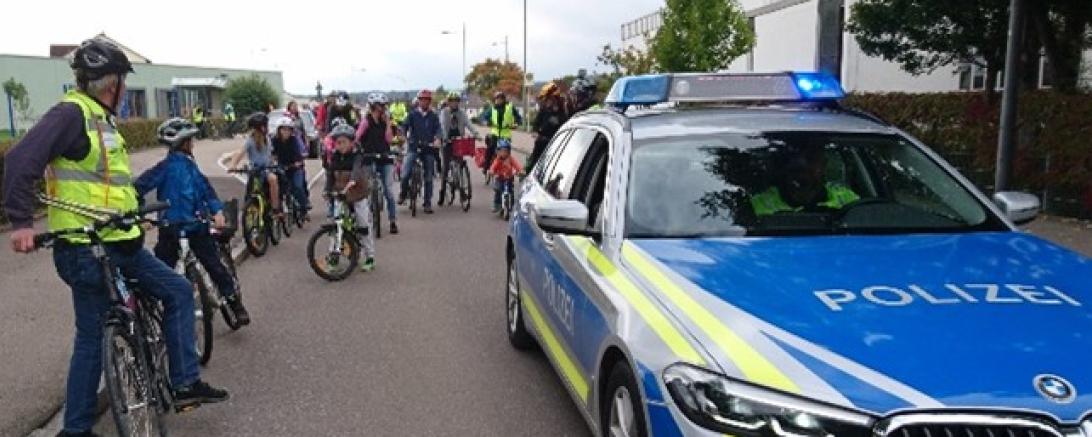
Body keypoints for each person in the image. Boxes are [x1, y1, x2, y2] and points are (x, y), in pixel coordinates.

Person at [2, 38, 228, 437]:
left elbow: (110, 184)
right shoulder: (72, 114)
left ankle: (180, 385)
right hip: (87, 250)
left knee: (175, 292)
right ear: (114, 84)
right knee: (95, 332)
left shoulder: (100, 120)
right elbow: (20, 160)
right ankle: (156, 390)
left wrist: (139, 215)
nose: (124, 91)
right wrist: (21, 221)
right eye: (123, 82)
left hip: (122, 241)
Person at [134, 118, 251, 325]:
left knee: (160, 272)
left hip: (174, 227)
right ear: (184, 144)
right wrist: (217, 212)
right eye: (191, 141)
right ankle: (235, 304)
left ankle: (153, 315)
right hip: (192, 226)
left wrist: (138, 212)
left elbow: (138, 188)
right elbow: (207, 192)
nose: (193, 144)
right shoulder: (178, 168)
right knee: (214, 267)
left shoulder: (172, 167)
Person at [750, 147, 859, 216]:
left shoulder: (848, 200)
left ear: (824, 165)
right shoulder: (758, 204)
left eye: (811, 160)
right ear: (784, 168)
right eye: (796, 163)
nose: (805, 168)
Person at [327, 124, 377, 271]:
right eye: (337, 142)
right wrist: (327, 190)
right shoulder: (335, 157)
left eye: (343, 142)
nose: (339, 145)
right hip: (341, 195)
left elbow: (356, 170)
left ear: (351, 142)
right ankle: (334, 256)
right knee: (335, 225)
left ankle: (370, 257)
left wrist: (353, 180)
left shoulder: (357, 156)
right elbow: (330, 175)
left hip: (357, 194)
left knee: (363, 224)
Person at [356, 92, 399, 234]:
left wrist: (387, 123)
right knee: (368, 189)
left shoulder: (386, 121)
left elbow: (389, 140)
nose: (382, 109)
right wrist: (356, 149)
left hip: (385, 157)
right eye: (380, 106)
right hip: (369, 157)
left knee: (389, 191)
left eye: (383, 106)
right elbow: (357, 137)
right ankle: (368, 216)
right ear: (373, 107)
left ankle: (392, 220)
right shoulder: (366, 121)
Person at [227, 112, 282, 215]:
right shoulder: (250, 141)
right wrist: (233, 165)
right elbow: (240, 152)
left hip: (266, 169)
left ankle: (276, 208)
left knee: (273, 179)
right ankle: (248, 211)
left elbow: (270, 154)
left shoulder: (267, 140)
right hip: (255, 170)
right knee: (250, 191)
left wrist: (274, 162)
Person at [399, 89, 442, 214]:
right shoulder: (412, 115)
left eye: (427, 100)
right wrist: (403, 135)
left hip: (428, 148)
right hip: (414, 146)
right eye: (422, 100)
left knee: (429, 176)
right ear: (418, 101)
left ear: (429, 102)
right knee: (405, 172)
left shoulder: (433, 116)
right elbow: (404, 126)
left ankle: (427, 203)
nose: (424, 102)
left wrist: (438, 139)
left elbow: (438, 129)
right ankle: (403, 193)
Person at [438, 92, 479, 205]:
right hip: (447, 141)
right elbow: (442, 125)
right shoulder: (444, 112)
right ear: (448, 102)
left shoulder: (461, 113)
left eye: (456, 101)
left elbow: (468, 123)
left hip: (458, 141)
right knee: (446, 167)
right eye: (452, 101)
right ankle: (442, 192)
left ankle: (462, 191)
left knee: (460, 164)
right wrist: (444, 138)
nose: (454, 103)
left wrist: (476, 133)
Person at [270, 116, 311, 212]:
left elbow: (302, 150)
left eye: (288, 130)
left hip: (295, 167)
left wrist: (300, 159)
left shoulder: (295, 140)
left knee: (297, 186)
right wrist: (273, 161)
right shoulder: (274, 141)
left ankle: (303, 206)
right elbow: (271, 153)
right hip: (281, 167)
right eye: (283, 129)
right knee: (278, 188)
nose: (286, 132)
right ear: (279, 130)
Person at [529, 82, 570, 170]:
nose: (546, 101)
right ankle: (529, 171)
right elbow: (537, 121)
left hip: (555, 142)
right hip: (541, 140)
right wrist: (535, 131)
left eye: (548, 99)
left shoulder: (562, 109)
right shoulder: (544, 108)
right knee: (534, 160)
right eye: (546, 99)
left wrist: (558, 119)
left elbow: (565, 122)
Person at [480, 91, 522, 174]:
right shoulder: (492, 108)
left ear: (503, 99)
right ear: (494, 100)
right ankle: (486, 167)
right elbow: (483, 117)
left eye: (500, 99)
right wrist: (486, 121)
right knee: (490, 149)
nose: (498, 101)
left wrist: (516, 123)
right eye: (497, 99)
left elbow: (518, 117)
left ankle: (509, 172)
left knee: (507, 154)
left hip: (506, 135)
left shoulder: (510, 107)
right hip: (495, 134)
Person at [489, 139, 524, 213]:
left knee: (511, 191)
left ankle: (511, 205)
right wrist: (492, 171)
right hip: (500, 178)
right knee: (498, 191)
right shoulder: (498, 160)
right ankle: (497, 205)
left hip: (509, 178)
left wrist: (520, 171)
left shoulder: (511, 159)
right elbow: (493, 166)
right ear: (498, 151)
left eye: (506, 151)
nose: (504, 153)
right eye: (502, 151)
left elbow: (516, 165)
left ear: (509, 151)